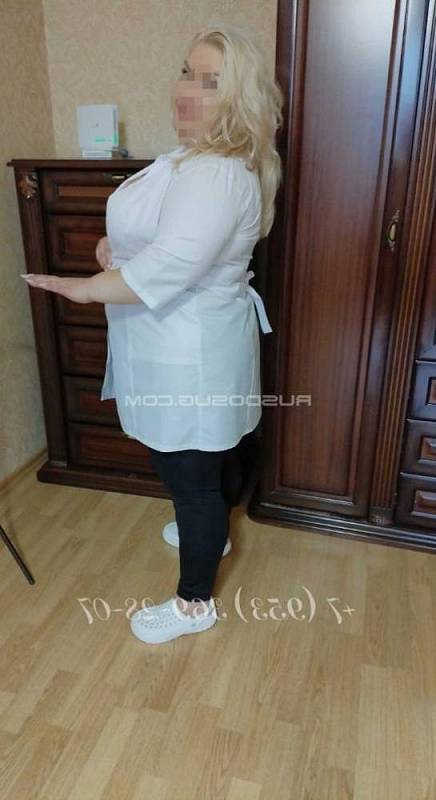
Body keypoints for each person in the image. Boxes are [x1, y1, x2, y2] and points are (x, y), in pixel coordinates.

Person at [21, 23, 284, 645]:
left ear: (238, 99)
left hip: (188, 350)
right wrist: (115, 246)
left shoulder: (216, 172)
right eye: (187, 71)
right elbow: (169, 239)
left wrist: (84, 288)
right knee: (206, 456)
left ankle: (195, 603)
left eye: (210, 81)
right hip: (180, 340)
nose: (187, 88)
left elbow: (170, 265)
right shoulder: (195, 160)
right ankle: (211, 534)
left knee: (190, 471)